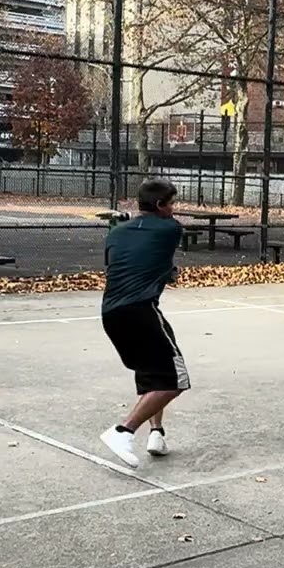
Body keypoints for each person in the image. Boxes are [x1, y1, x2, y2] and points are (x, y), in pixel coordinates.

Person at [98, 178, 189, 469]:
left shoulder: (116, 234)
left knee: (152, 373)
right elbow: (163, 236)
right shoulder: (171, 229)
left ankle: (156, 434)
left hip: (111, 314)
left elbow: (127, 258)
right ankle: (123, 431)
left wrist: (124, 220)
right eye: (171, 203)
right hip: (141, 311)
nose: (174, 209)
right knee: (174, 382)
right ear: (160, 205)